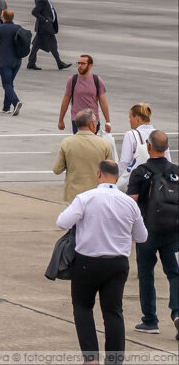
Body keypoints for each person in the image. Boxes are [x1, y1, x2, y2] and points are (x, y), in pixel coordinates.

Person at [57, 159, 148, 361]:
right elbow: (142, 236)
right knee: (113, 311)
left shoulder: (86, 198)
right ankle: (114, 360)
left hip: (87, 262)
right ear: (117, 177)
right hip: (117, 263)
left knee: (82, 307)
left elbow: (62, 222)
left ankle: (91, 358)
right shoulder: (128, 203)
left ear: (98, 174)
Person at [126, 131, 179, 338]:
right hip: (174, 232)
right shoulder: (176, 171)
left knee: (146, 275)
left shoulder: (141, 172)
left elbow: (131, 201)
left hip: (147, 231)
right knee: (175, 273)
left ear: (148, 147)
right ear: (166, 148)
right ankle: (177, 312)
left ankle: (150, 320)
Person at [53, 109, 116, 202]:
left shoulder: (66, 143)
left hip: (73, 195)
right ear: (91, 124)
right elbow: (110, 171)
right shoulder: (104, 144)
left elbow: (57, 169)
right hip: (96, 195)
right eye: (96, 122)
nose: (97, 124)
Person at [57, 54, 111, 134]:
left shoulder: (97, 80)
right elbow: (65, 101)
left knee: (91, 145)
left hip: (93, 121)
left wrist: (108, 122)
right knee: (79, 145)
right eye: (78, 63)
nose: (79, 66)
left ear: (90, 65)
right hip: (77, 121)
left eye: (83, 64)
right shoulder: (72, 80)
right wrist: (61, 120)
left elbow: (103, 102)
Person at [0, 9, 26, 115]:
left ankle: (16, 102)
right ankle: (6, 107)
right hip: (17, 61)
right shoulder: (18, 28)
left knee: (6, 83)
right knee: (9, 83)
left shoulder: (0, 28)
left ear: (4, 17)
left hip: (5, 61)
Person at [27, 0, 71, 71]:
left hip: (44, 28)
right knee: (53, 45)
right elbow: (35, 12)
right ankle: (60, 63)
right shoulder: (42, 0)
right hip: (45, 27)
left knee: (36, 45)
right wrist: (44, 20)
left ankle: (31, 63)